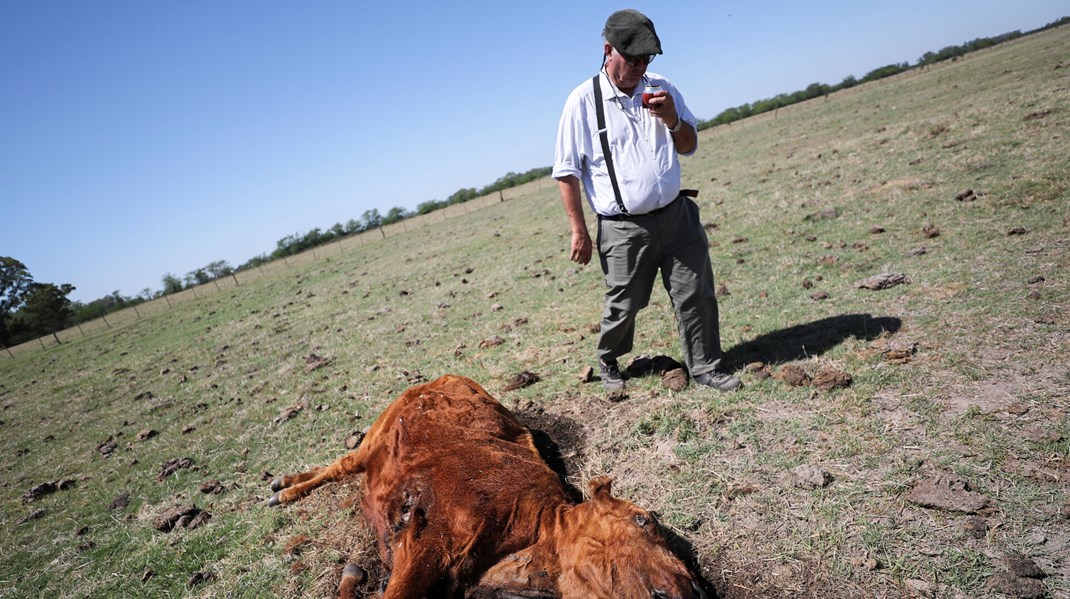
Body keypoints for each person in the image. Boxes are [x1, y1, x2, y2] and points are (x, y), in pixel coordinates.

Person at [552, 9, 741, 392]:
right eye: (632, 58)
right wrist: (579, 230)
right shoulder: (582, 102)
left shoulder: (662, 87)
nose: (640, 66)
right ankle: (609, 360)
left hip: (677, 217)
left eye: (646, 59)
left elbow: (689, 145)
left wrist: (672, 119)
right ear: (608, 50)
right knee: (625, 305)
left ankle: (706, 367)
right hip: (623, 229)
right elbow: (567, 171)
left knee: (696, 294)